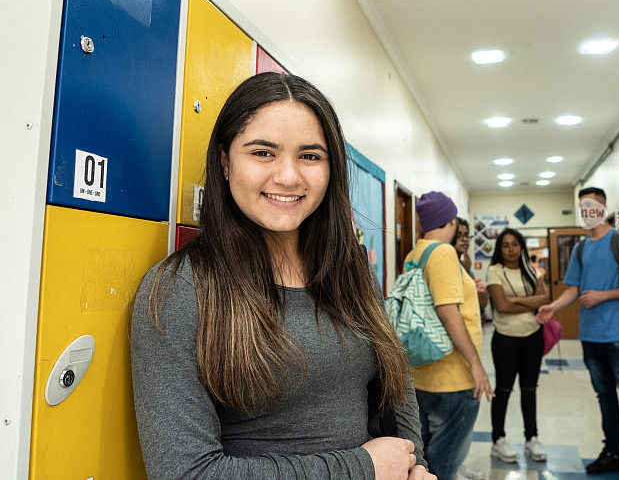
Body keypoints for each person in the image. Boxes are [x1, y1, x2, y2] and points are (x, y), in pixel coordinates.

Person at [130, 72, 434, 480]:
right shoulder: (180, 289)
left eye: (310, 156)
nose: (288, 177)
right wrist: (360, 469)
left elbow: (396, 387)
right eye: (263, 153)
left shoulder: (349, 271)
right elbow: (186, 473)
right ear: (224, 161)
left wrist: (415, 466)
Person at [536, 187, 619, 479]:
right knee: (604, 396)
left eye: (592, 205)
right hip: (590, 335)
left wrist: (603, 296)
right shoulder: (582, 248)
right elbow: (574, 289)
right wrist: (552, 307)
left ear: (603, 206)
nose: (587, 210)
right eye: (582, 206)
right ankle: (613, 454)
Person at [407, 192, 494, 480]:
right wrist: (476, 364)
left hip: (422, 373)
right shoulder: (443, 252)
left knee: (426, 462)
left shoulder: (415, 253)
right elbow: (447, 311)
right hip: (452, 377)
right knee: (444, 465)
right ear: (451, 220)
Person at [485, 229, 550, 463]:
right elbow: (501, 306)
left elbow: (546, 298)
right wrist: (531, 303)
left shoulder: (531, 271)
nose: (511, 249)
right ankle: (498, 439)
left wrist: (515, 300)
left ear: (522, 247)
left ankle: (532, 438)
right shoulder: (494, 271)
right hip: (505, 339)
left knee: (529, 389)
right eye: (505, 245)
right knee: (503, 390)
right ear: (499, 249)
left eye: (515, 244)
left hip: (533, 337)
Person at [452, 217, 489, 310]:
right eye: (459, 235)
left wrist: (467, 271)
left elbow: (483, 303)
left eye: (466, 235)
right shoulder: (446, 263)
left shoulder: (465, 265)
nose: (465, 239)